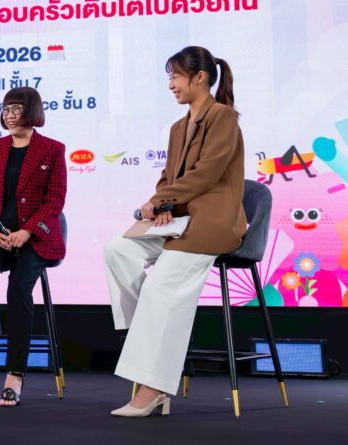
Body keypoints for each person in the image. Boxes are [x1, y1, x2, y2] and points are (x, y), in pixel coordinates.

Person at [104, 46, 247, 417]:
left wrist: (161, 200)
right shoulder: (178, 127)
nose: (170, 85)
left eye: (175, 76)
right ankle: (149, 333)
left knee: (160, 288)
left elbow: (207, 173)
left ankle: (153, 388)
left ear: (200, 77)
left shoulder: (223, 117)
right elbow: (169, 176)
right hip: (179, 219)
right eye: (169, 77)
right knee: (117, 250)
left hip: (212, 222)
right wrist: (163, 203)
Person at [0, 86, 67, 406]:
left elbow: (55, 200)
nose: (9, 115)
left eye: (16, 109)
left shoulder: (52, 149)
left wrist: (27, 231)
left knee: (18, 290)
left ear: (32, 111)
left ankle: (14, 375)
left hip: (34, 238)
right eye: (6, 109)